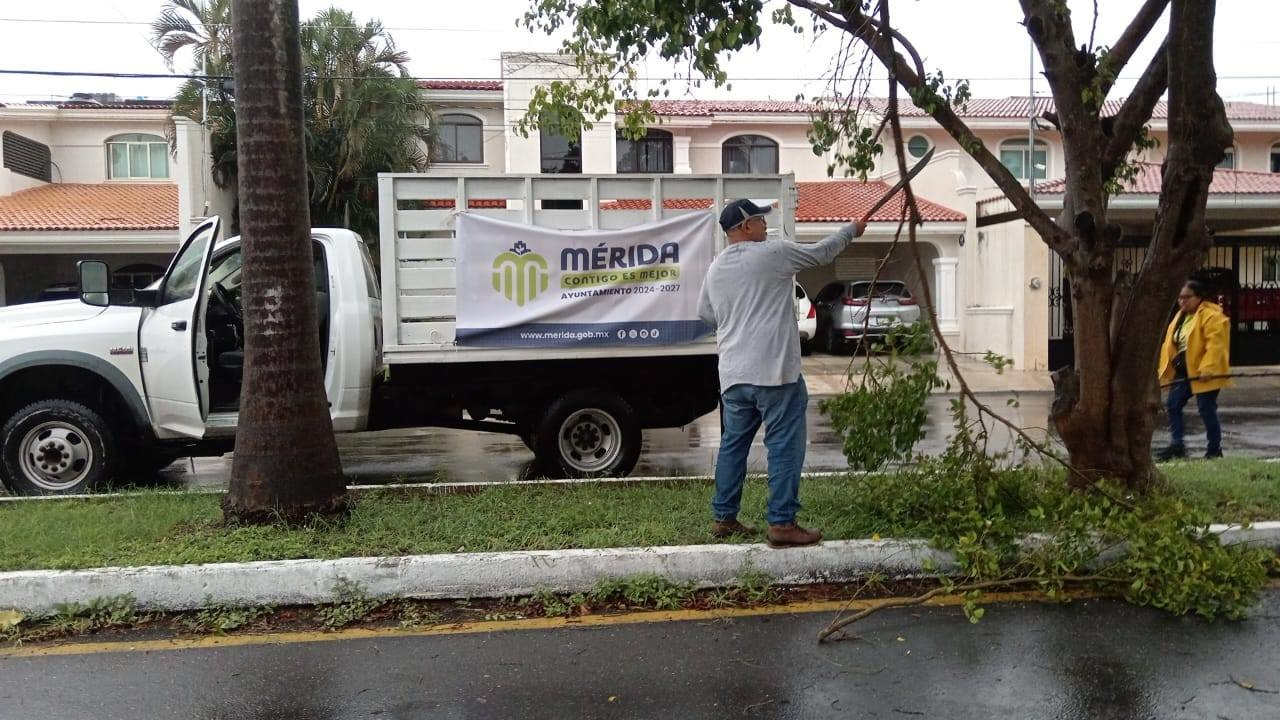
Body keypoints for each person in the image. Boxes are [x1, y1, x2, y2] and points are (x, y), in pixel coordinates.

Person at [697, 198, 865, 548]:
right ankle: (782, 524)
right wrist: (852, 230)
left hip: (733, 374)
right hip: (775, 373)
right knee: (784, 447)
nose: (765, 225)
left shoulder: (715, 268)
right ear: (745, 227)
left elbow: (706, 315)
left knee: (733, 446)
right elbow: (822, 253)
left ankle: (724, 518)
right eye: (760, 220)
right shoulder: (774, 254)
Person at [1156, 279, 1232, 461]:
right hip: (1184, 370)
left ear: (1198, 297)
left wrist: (1208, 367)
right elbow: (1170, 343)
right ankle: (1177, 445)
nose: (1182, 301)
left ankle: (1214, 449)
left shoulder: (1211, 316)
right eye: (1180, 298)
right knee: (1173, 404)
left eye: (1187, 297)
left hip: (1205, 371)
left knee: (1206, 408)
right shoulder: (1180, 316)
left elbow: (1216, 345)